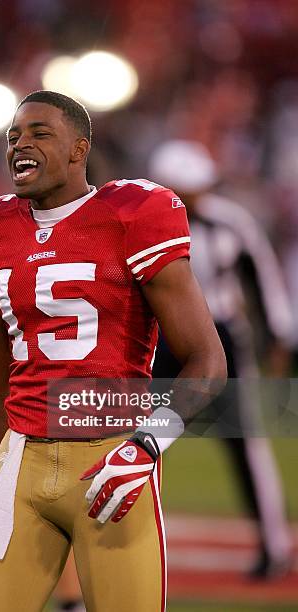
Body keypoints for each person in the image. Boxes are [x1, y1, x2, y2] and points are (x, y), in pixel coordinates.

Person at [0, 91, 226, 612]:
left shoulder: (134, 213)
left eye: (39, 133)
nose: (20, 145)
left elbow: (208, 362)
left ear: (79, 149)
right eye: (12, 136)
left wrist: (147, 446)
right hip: (19, 465)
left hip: (111, 461)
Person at [149, 139, 294, 579]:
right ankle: (116, 540)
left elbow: (262, 277)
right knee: (147, 439)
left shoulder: (229, 221)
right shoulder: (145, 224)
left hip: (223, 339)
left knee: (245, 443)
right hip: (164, 341)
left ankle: (276, 545)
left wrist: (279, 334)